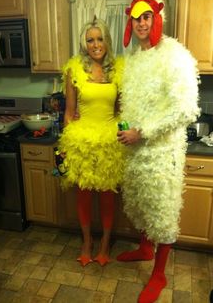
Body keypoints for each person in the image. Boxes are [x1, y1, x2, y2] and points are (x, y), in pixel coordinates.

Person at [116, 0, 200, 302]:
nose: (141, 23)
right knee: (140, 205)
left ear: (157, 17)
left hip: (162, 153)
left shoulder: (174, 55)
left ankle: (159, 273)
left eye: (146, 16)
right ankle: (144, 249)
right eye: (136, 18)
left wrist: (144, 131)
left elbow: (186, 109)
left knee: (162, 213)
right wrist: (127, 129)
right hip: (136, 151)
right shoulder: (135, 57)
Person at [58, 18, 124, 267]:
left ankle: (105, 244)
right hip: (82, 141)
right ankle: (86, 242)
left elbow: (119, 111)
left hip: (109, 141)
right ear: (84, 44)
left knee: (108, 197)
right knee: (83, 195)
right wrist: (65, 147)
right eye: (90, 40)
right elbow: (68, 112)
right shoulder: (74, 69)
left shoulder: (118, 70)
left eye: (100, 38)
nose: (95, 44)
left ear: (107, 40)